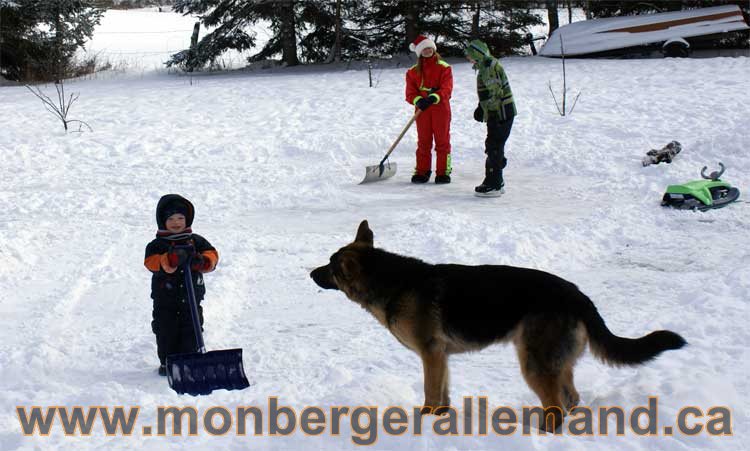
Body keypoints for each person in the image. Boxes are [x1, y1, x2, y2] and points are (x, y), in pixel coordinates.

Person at [144, 194, 218, 376]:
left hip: (192, 297)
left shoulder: (195, 241)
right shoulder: (157, 245)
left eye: (180, 218)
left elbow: (212, 255)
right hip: (165, 300)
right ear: (162, 221)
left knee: (192, 327)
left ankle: (191, 358)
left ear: (188, 219)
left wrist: (202, 261)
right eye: (170, 218)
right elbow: (150, 262)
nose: (176, 222)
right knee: (165, 329)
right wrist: (168, 259)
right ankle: (168, 362)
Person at [464, 39, 517, 197]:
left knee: (493, 146)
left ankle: (493, 183)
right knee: (495, 145)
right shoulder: (486, 65)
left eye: (470, 55)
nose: (468, 58)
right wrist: (482, 107)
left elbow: (496, 92)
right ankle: (497, 179)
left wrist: (492, 113)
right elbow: (489, 92)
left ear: (477, 54)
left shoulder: (488, 67)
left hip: (501, 113)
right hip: (500, 111)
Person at [405, 35, 454, 184]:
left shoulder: (444, 67)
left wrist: (434, 97)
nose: (427, 51)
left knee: (442, 141)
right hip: (422, 111)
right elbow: (409, 93)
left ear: (433, 48)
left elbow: (447, 88)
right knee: (424, 142)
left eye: (429, 48)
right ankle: (422, 171)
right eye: (424, 49)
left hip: (440, 109)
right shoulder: (412, 72)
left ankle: (443, 172)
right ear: (419, 52)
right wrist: (419, 100)